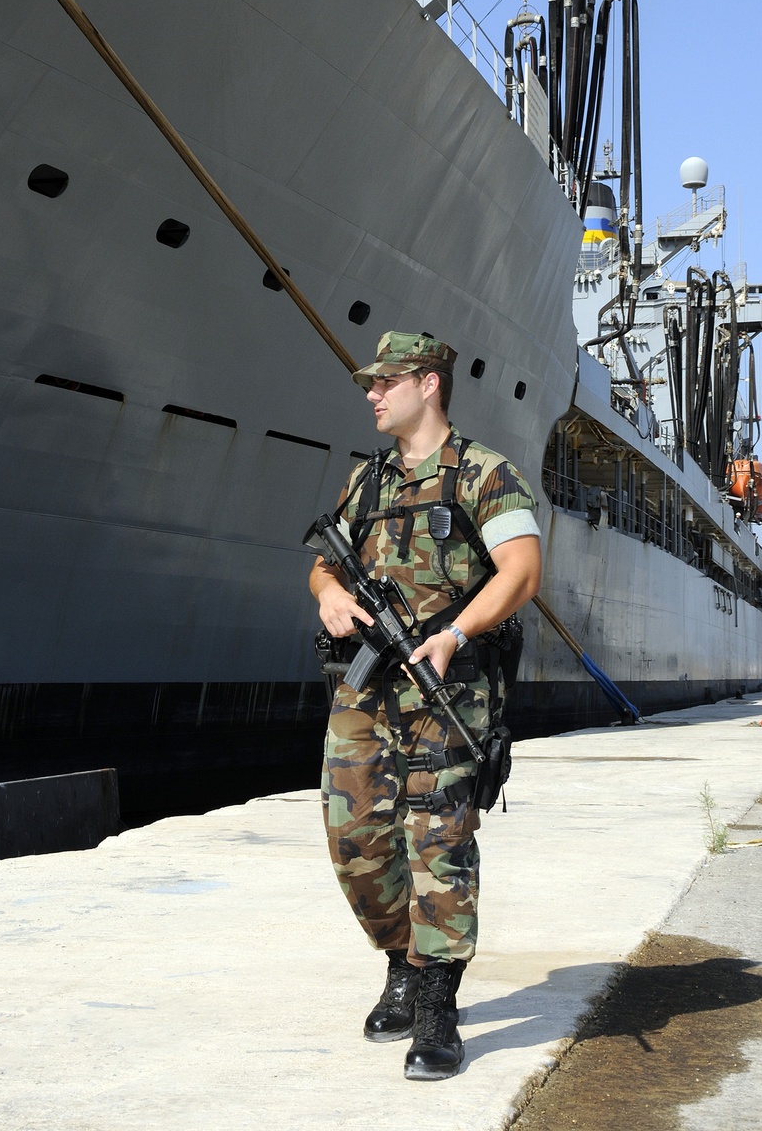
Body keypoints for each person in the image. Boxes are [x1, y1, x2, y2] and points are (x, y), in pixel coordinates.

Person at [309, 331, 542, 1081]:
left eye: (385, 382)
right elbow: (322, 563)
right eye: (370, 385)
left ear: (429, 384)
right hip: (365, 689)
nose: (372, 394)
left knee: (437, 839)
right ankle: (399, 962)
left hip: (449, 688)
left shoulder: (484, 475)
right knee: (356, 843)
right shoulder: (366, 481)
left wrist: (455, 632)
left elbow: (522, 570)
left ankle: (436, 1001)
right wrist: (333, 595)